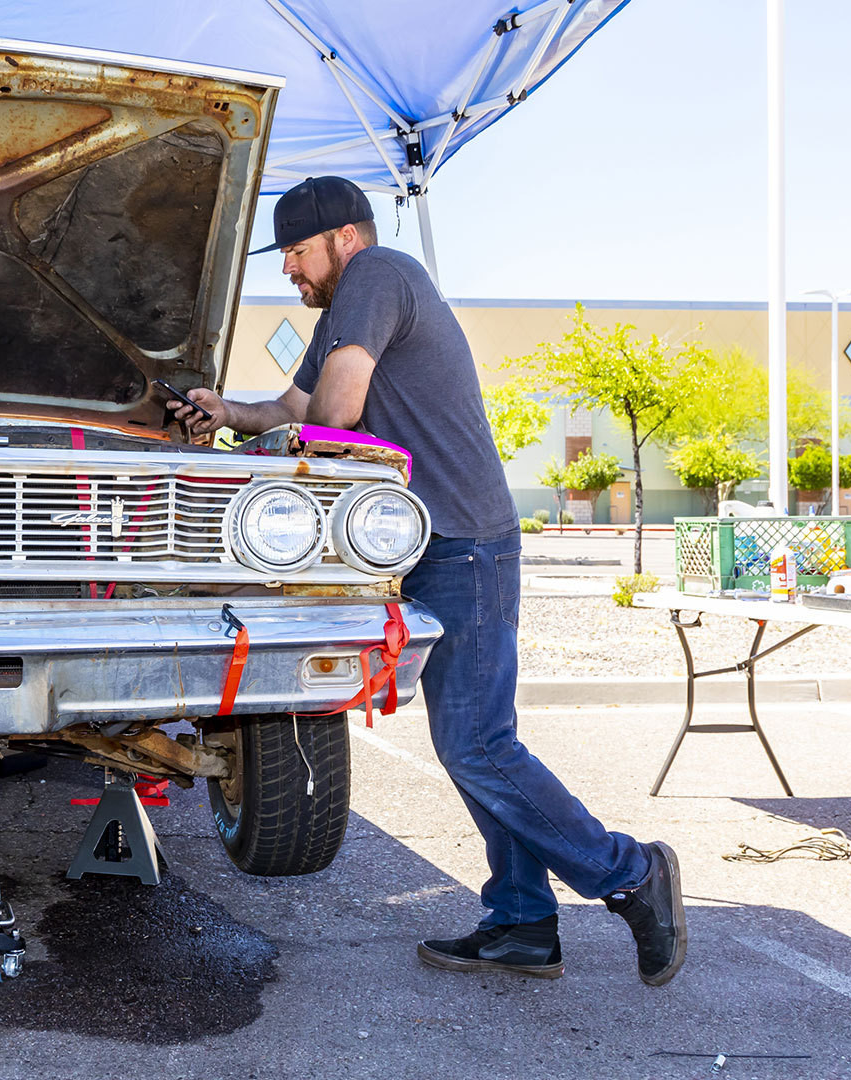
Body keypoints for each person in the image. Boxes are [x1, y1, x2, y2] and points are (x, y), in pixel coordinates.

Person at [171, 177, 687, 986]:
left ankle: (629, 872)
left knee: (479, 744)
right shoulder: (345, 310)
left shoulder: (378, 275)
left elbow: (335, 412)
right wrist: (223, 412)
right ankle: (520, 923)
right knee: (476, 743)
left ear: (344, 237)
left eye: (298, 254)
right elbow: (292, 405)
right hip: (438, 546)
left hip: (467, 545)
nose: (291, 275)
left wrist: (276, 450)